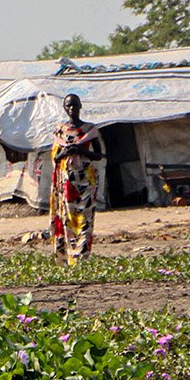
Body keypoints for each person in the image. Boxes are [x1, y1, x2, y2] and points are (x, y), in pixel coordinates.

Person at [49, 93, 105, 262]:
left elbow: (99, 155)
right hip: (66, 182)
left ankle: (82, 256)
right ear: (65, 108)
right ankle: (68, 256)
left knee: (85, 217)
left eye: (74, 105)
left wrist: (81, 150)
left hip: (86, 181)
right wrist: (65, 152)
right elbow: (55, 158)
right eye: (68, 106)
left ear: (80, 106)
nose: (72, 109)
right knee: (67, 217)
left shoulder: (89, 130)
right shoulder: (60, 130)